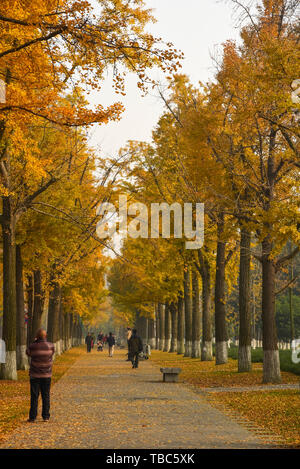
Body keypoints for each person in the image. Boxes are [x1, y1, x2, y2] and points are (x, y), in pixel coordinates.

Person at [26, 328, 55, 422]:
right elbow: (52, 354)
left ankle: (32, 417)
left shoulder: (33, 346)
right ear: (45, 336)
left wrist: (35, 342)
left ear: (37, 336)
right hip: (47, 375)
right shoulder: (51, 346)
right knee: (46, 395)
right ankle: (46, 416)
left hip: (35, 375)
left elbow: (28, 353)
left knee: (34, 396)